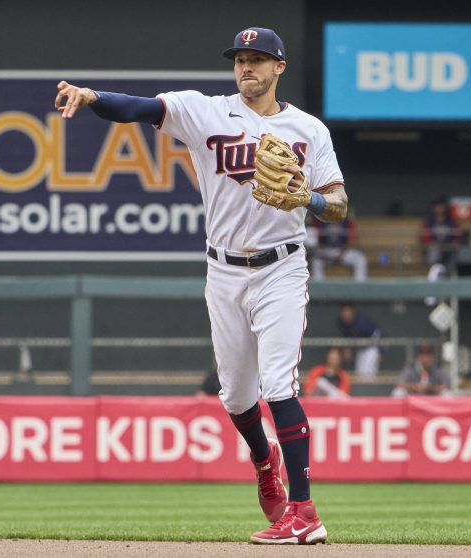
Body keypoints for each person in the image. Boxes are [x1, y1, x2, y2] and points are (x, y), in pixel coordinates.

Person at [55, 26, 338, 545]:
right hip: (223, 269)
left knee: (279, 384)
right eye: (240, 59)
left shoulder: (310, 130)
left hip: (282, 267)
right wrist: (92, 97)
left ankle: (304, 512)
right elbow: (136, 108)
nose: (245, 67)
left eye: (257, 59)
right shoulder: (203, 110)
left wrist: (309, 200)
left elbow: (338, 204)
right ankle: (263, 460)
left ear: (279, 68)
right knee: (235, 396)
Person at [309, 212, 368, 281]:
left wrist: (341, 254)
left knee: (360, 259)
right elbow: (315, 243)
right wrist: (326, 253)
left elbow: (352, 241)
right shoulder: (320, 220)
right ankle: (319, 288)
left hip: (343, 251)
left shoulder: (347, 220)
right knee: (316, 261)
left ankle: (359, 287)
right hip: (326, 251)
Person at [336, 303, 382, 381]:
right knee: (359, 375)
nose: (346, 315)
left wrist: (380, 352)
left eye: (348, 313)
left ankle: (370, 392)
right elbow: (346, 335)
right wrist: (346, 348)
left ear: (353, 313)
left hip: (371, 349)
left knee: (369, 375)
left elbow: (378, 334)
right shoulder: (342, 323)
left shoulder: (362, 323)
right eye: (344, 313)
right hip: (360, 350)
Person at [420, 196, 461, 266]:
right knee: (433, 253)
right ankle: (435, 272)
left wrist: (452, 244)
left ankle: (449, 274)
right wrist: (432, 244)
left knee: (456, 254)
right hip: (434, 248)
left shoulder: (451, 221)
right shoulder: (429, 221)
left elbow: (457, 236)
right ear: (433, 208)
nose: (440, 209)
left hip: (448, 248)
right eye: (437, 206)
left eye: (441, 206)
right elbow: (425, 237)